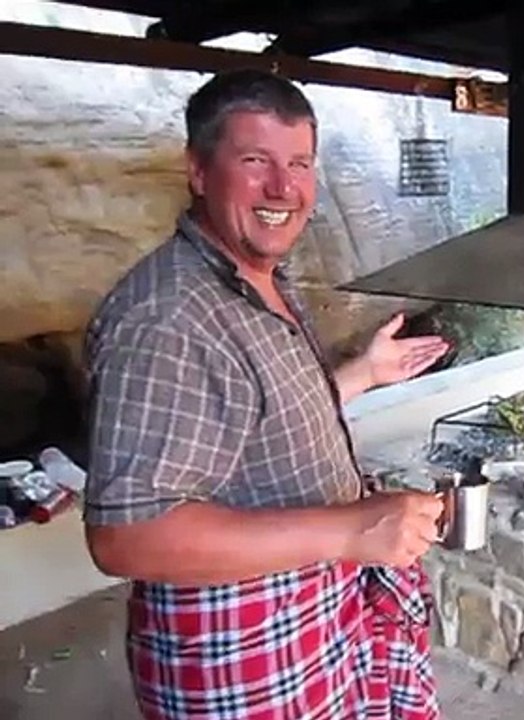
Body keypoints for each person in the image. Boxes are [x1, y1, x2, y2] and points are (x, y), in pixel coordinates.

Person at [82, 68, 451, 720]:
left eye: (300, 163)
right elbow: (126, 535)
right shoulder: (166, 315)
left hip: (315, 617)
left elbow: (257, 418)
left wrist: (362, 373)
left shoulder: (257, 278)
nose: (285, 188)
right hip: (241, 647)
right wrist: (354, 527)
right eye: (255, 161)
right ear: (198, 170)